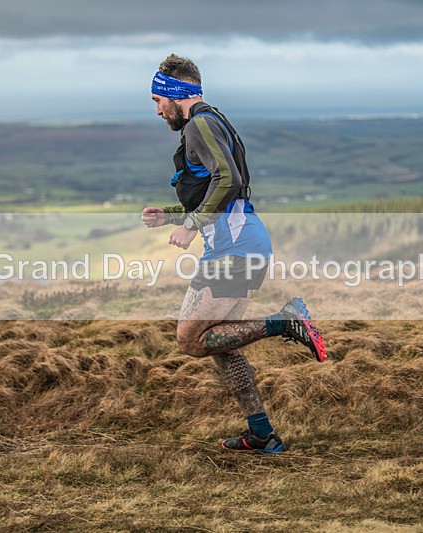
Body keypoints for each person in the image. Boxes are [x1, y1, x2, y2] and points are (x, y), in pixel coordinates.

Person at [141, 54, 326, 453]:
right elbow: (221, 191)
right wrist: (171, 215)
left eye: (157, 100)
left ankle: (287, 321)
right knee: (223, 344)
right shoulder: (212, 121)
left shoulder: (200, 125)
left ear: (176, 94)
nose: (157, 110)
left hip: (235, 247)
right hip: (242, 242)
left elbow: (229, 178)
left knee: (190, 340)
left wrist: (190, 226)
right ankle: (262, 433)